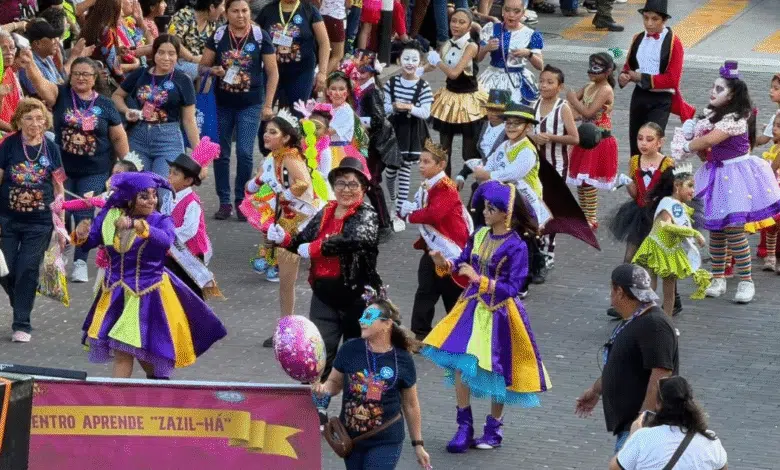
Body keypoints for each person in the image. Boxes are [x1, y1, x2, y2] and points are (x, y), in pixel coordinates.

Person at [422, 180, 550, 453]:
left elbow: (513, 287)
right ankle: (464, 426)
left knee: (498, 369)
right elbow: (462, 262)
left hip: (500, 312)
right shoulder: (479, 234)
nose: (484, 212)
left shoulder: (517, 246)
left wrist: (479, 280)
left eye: (491, 208)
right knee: (460, 362)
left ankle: (494, 429)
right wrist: (445, 264)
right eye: (485, 207)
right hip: (470, 309)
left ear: (506, 213)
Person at [71, 171, 227, 378]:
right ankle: (141, 392)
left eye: (154, 195)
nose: (152, 200)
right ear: (129, 199)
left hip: (148, 296)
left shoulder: (161, 220)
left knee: (139, 354)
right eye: (144, 196)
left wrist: (140, 227)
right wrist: (81, 235)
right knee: (126, 352)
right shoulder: (110, 216)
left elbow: (166, 240)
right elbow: (91, 241)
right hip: (115, 295)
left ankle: (151, 388)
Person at [266, 157, 382, 418]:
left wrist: (316, 248)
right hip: (324, 295)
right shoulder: (327, 210)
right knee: (318, 354)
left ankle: (358, 413)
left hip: (357, 298)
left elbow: (353, 239)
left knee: (358, 356)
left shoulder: (367, 214)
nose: (346, 189)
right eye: (340, 183)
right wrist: (284, 239)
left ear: (363, 188)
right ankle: (315, 409)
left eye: (352, 184)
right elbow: (303, 240)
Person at [677, 61, 780, 304]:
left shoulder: (735, 119)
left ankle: (746, 281)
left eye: (719, 89)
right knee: (716, 231)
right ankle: (718, 277)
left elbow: (710, 140)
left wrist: (686, 145)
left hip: (735, 177)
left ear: (732, 95)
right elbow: (706, 151)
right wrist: (695, 138)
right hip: (715, 174)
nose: (713, 92)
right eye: (713, 87)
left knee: (734, 230)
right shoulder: (712, 116)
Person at [22, 52, 130, 283]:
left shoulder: (105, 104)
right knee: (63, 211)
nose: (81, 78)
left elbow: (118, 137)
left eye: (86, 74)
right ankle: (62, 250)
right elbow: (40, 83)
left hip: (95, 169)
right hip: (62, 168)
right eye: (76, 74)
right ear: (70, 77)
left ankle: (80, 261)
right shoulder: (60, 95)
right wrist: (30, 63)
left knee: (84, 211)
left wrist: (127, 165)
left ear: (95, 78)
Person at [311, 296, 431, 470]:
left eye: (369, 317)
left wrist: (418, 444)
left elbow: (411, 405)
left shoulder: (402, 359)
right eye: (362, 317)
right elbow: (334, 383)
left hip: (386, 440)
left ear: (387, 324)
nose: (362, 321)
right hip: (352, 439)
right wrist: (324, 389)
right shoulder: (350, 349)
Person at [575, 263, 678, 454]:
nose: (611, 296)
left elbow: (661, 376)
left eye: (612, 290)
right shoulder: (634, 319)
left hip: (639, 428)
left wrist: (643, 421)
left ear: (620, 292)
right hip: (630, 425)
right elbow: (622, 365)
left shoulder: (654, 325)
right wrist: (596, 390)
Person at [246, 111, 320, 346]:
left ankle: (290, 330)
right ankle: (286, 327)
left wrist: (284, 196)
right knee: (287, 281)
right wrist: (258, 183)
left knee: (289, 281)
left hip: (298, 222)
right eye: (266, 131)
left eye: (273, 132)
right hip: (286, 220)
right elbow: (254, 186)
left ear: (286, 137)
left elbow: (303, 183)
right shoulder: (274, 157)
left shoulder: (289, 157)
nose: (266, 135)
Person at [200, 0, 278, 220]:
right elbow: (202, 66)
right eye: (235, 11)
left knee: (244, 152)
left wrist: (268, 105)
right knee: (221, 153)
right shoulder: (218, 36)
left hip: (250, 104)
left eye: (244, 11)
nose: (241, 15)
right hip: (222, 103)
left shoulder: (260, 36)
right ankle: (225, 202)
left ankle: (242, 201)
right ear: (226, 13)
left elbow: (272, 72)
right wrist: (212, 70)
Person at [0, 98, 65, 343]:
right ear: (19, 121)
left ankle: (22, 323)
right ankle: (22, 299)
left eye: (39, 118)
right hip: (7, 219)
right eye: (28, 118)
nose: (34, 123)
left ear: (45, 121)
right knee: (5, 270)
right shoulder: (8, 145)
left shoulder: (52, 148)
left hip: (39, 222)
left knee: (27, 268)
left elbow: (59, 187)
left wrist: (61, 225)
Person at [398, 139, 471, 344]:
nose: (421, 165)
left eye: (426, 162)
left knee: (451, 291)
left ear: (441, 165)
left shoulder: (446, 187)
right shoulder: (429, 185)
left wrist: (410, 215)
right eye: (420, 161)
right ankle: (419, 332)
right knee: (425, 290)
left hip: (449, 249)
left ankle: (460, 333)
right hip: (432, 249)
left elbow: (434, 214)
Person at [619, 0, 695, 157]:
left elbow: (672, 80)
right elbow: (629, 65)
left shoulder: (674, 43)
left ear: (664, 20)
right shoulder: (638, 38)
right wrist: (624, 76)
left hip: (661, 99)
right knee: (636, 142)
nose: (649, 23)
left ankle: (655, 171)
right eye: (646, 18)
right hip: (639, 96)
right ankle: (637, 172)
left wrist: (641, 77)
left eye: (654, 19)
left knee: (651, 143)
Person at [632, 165, 710, 317]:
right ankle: (640, 316)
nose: (693, 191)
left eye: (693, 187)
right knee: (651, 285)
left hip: (671, 251)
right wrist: (694, 232)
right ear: (677, 186)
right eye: (690, 186)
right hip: (656, 247)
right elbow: (665, 225)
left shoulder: (680, 206)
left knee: (670, 291)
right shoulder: (668, 203)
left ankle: (666, 322)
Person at [610, 376, 728, 470]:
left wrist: (631, 436)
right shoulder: (711, 441)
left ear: (659, 404)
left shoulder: (643, 437)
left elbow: (615, 468)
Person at [427, 8, 487, 177]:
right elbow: (431, 64)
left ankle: (475, 182)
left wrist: (438, 62)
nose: (456, 25)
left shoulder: (471, 46)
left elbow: (454, 73)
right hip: (449, 98)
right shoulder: (447, 43)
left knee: (468, 154)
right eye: (454, 21)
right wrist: (415, 70)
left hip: (468, 101)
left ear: (469, 26)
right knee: (443, 151)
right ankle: (445, 186)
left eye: (462, 22)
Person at [348, 50, 400, 242]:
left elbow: (377, 120)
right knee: (368, 182)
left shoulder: (372, 92)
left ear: (371, 72)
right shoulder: (360, 90)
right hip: (367, 143)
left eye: (363, 71)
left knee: (372, 183)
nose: (359, 74)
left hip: (377, 145)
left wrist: (356, 122)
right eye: (357, 71)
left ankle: (384, 224)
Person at [566, 51, 619, 231]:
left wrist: (573, 100)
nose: (592, 71)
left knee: (589, 181)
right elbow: (576, 110)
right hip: (584, 137)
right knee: (581, 181)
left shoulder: (605, 89)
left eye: (597, 68)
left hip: (598, 139)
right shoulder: (589, 86)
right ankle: (584, 215)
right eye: (591, 67)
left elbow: (588, 112)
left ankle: (591, 217)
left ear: (608, 71)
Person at [383, 41, 432, 232]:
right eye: (406, 59)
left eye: (414, 59)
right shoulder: (391, 83)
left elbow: (426, 112)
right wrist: (394, 107)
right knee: (390, 172)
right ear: (399, 61)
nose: (410, 63)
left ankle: (399, 212)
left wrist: (410, 107)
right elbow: (384, 108)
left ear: (420, 63)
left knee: (404, 171)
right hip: (393, 130)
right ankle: (394, 200)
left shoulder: (424, 86)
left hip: (412, 132)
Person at [609, 123, 675, 264]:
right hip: (639, 214)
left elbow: (670, 193)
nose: (643, 143)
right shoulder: (635, 161)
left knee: (656, 258)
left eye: (649, 139)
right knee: (630, 256)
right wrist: (628, 183)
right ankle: (627, 277)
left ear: (660, 142)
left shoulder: (666, 163)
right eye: (640, 138)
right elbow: (635, 194)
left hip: (658, 214)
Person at [165, 137, 222, 299]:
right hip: (173, 250)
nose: (169, 176)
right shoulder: (169, 197)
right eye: (170, 172)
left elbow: (189, 229)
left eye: (175, 174)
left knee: (192, 290)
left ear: (188, 180)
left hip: (190, 252)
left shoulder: (192, 202)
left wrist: (167, 237)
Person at [255, 0, 329, 108]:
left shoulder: (309, 10)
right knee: (264, 110)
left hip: (301, 72)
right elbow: (255, 35)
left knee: (297, 112)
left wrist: (322, 72)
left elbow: (324, 43)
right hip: (272, 71)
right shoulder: (268, 10)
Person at [477, 0, 544, 106]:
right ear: (502, 10)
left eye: (516, 11)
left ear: (523, 13)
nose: (511, 15)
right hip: (492, 78)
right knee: (490, 112)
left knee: (513, 113)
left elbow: (540, 66)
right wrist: (486, 48)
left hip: (516, 82)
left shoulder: (531, 34)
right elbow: (477, 59)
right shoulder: (492, 29)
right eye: (507, 10)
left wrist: (529, 54)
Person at [455, 89, 509, 198]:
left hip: (502, 181)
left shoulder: (509, 131)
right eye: (490, 109)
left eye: (498, 110)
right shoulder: (481, 127)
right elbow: (476, 157)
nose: (493, 114)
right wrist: (462, 174)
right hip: (481, 178)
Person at [83, 0, 142, 83]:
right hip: (103, 79)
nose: (122, 13)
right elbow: (113, 66)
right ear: (114, 11)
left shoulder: (92, 24)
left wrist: (117, 49)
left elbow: (100, 50)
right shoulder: (106, 31)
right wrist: (135, 65)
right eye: (120, 9)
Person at [323, 70, 369, 173]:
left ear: (347, 92)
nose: (337, 93)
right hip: (328, 149)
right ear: (327, 91)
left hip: (340, 152)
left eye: (341, 89)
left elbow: (328, 131)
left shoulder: (345, 111)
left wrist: (310, 127)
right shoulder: (327, 108)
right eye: (333, 89)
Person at [0, 32, 27, 136]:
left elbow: (21, 104)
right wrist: (17, 131)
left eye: (12, 48)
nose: (9, 52)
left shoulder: (10, 72)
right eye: (4, 48)